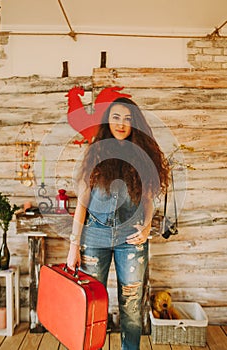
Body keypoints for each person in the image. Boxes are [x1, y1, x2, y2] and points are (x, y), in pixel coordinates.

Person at [67, 96, 169, 350]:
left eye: (127, 118)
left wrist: (146, 228)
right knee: (92, 303)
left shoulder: (143, 155)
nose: (121, 123)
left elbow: (147, 199)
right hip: (94, 238)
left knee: (132, 306)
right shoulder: (95, 151)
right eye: (116, 117)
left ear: (134, 123)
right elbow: (82, 203)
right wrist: (73, 246)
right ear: (107, 122)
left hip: (130, 240)